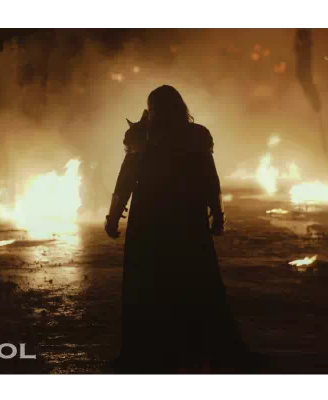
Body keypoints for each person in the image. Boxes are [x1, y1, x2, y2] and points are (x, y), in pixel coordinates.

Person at [105, 85, 246, 373]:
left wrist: (113, 216)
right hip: (184, 218)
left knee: (147, 286)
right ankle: (190, 350)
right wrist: (217, 215)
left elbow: (125, 181)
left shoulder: (142, 137)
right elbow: (210, 181)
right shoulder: (194, 137)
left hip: (152, 219)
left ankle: (150, 353)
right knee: (193, 282)